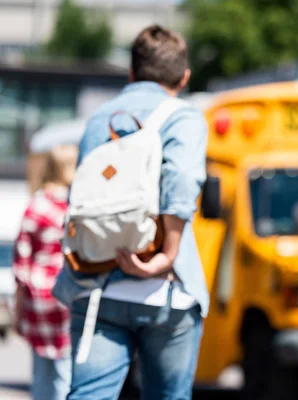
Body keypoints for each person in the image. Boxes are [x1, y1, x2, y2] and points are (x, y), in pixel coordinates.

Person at [52, 25, 209, 399]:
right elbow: (182, 178)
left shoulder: (98, 119)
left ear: (132, 72)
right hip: (165, 294)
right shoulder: (183, 117)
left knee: (90, 394)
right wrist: (166, 255)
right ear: (184, 77)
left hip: (96, 285)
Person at [13, 144, 78, 400]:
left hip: (39, 294)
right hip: (70, 290)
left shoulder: (37, 205)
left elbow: (22, 260)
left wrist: (18, 307)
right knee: (66, 369)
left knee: (41, 372)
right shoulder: (77, 204)